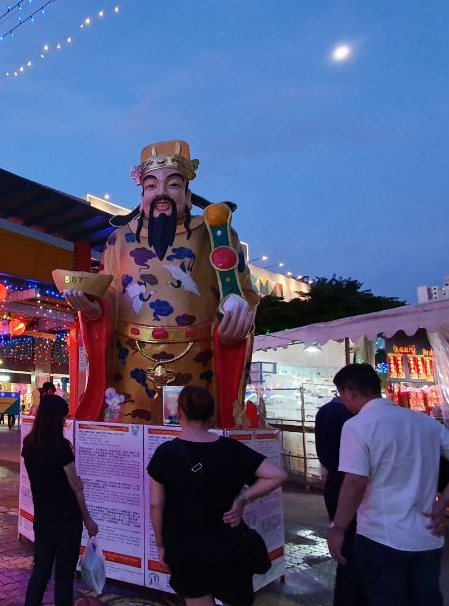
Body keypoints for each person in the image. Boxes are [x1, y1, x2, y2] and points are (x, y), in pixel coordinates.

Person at [61, 140, 259, 424]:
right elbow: (111, 291)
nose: (161, 194)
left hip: (198, 363)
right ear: (142, 194)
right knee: (127, 440)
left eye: (173, 185)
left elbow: (243, 292)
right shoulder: (119, 239)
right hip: (130, 365)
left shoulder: (215, 235)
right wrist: (93, 310)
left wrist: (235, 323)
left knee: (193, 444)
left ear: (188, 194)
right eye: (151, 186)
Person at [327, 364, 449, 606]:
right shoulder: (421, 421)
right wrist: (443, 503)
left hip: (381, 537)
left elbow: (355, 481)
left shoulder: (358, 426)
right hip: (427, 535)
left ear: (349, 392)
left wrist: (338, 528)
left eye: (340, 394)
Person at [147, 386, 287, 606]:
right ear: (212, 414)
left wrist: (161, 544)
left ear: (180, 412)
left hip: (186, 546)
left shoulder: (166, 453)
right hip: (229, 543)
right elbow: (277, 475)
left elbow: (156, 504)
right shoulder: (231, 449)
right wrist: (243, 498)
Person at [22, 394, 98, 606]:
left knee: (41, 571)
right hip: (67, 519)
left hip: (43, 517)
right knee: (64, 576)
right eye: (63, 417)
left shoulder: (29, 445)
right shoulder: (61, 447)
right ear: (56, 419)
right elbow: (75, 486)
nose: (65, 421)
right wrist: (88, 520)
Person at [315, 395, 368, 606]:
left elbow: (324, 454)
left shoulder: (325, 412)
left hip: (336, 484)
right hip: (355, 485)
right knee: (357, 546)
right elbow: (355, 478)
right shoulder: (355, 419)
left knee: (346, 550)